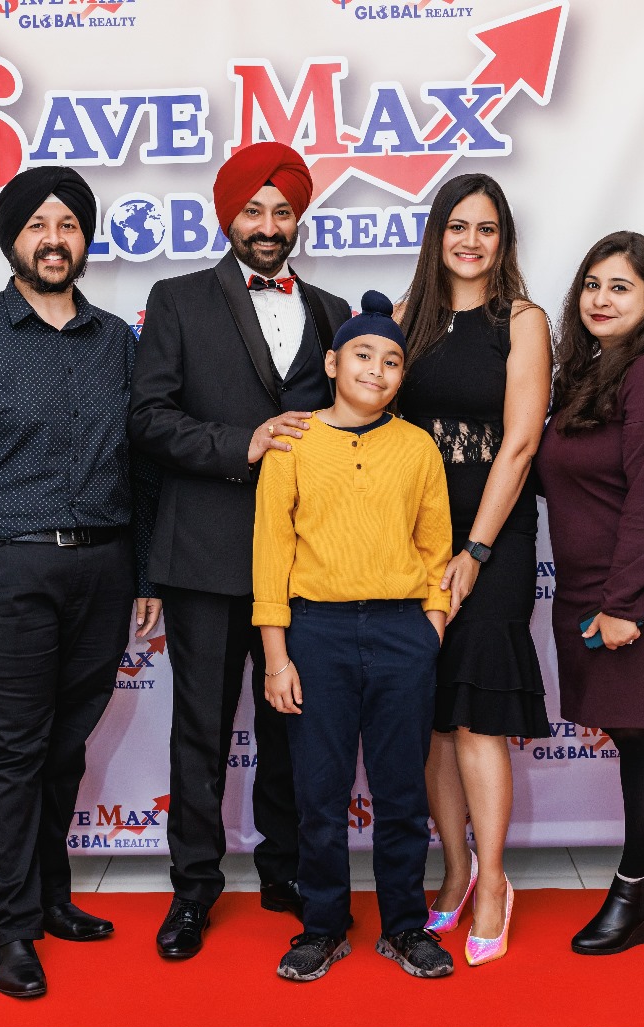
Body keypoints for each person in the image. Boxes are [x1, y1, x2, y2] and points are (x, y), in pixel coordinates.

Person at [0, 166, 162, 998]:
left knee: (60, 748)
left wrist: (145, 571)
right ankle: (8, 929)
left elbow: (141, 467)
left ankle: (50, 898)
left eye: (69, 225)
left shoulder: (118, 340)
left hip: (99, 571)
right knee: (3, 755)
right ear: (12, 237)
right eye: (38, 225)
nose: (54, 239)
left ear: (86, 239)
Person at [130, 141, 352, 959]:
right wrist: (242, 442)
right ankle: (193, 889)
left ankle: (285, 869)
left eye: (282, 212)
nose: (267, 225)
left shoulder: (332, 310)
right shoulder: (178, 299)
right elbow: (148, 418)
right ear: (228, 216)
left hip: (308, 561)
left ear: (298, 220)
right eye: (253, 210)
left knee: (295, 725)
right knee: (202, 728)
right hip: (208, 553)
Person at [254, 290, 456, 982]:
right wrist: (277, 656)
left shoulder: (417, 446)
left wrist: (429, 628)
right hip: (318, 633)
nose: (376, 369)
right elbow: (271, 552)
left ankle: (404, 924)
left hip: (403, 632)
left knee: (402, 792)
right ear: (333, 363)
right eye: (363, 355)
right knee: (319, 793)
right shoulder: (293, 442)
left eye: (391, 361)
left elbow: (435, 546)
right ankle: (322, 925)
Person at [534, 231, 644, 956]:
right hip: (595, 584)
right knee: (636, 730)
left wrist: (624, 604)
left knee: (643, 733)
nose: (601, 299)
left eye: (620, 287)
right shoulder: (590, 374)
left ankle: (632, 890)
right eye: (592, 284)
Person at [393, 172, 551, 966]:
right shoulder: (405, 318)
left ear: (503, 240)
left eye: (486, 228)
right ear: (437, 233)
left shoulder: (522, 320)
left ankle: (494, 882)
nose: (471, 240)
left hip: (494, 539)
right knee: (433, 715)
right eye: (458, 225)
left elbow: (519, 444)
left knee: (478, 715)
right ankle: (453, 870)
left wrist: (476, 551)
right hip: (415, 538)